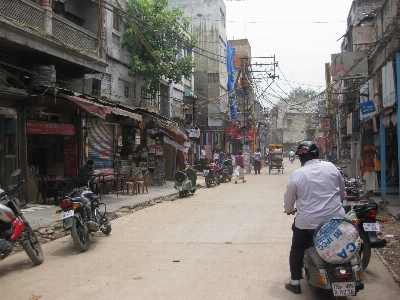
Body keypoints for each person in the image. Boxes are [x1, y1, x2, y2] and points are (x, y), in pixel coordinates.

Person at [283, 141, 345, 295]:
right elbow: (342, 192)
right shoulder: (331, 167)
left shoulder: (298, 174)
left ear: (300, 157)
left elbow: (289, 200)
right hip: (335, 221)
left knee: (297, 248)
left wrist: (289, 210)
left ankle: (295, 282)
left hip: (307, 224)